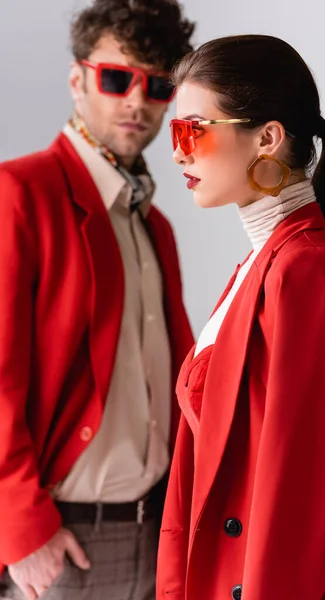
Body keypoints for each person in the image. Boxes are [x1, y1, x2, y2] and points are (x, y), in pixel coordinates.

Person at [157, 34, 325, 600]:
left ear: (266, 137)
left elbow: (299, 498)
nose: (178, 152)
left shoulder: (306, 273)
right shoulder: (261, 267)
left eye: (193, 130)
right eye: (174, 133)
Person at [0, 1, 195, 599]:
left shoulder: (153, 224)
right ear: (78, 79)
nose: (137, 101)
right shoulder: (18, 194)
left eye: (158, 85)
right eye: (117, 79)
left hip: (159, 528)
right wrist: (21, 529)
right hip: (65, 537)